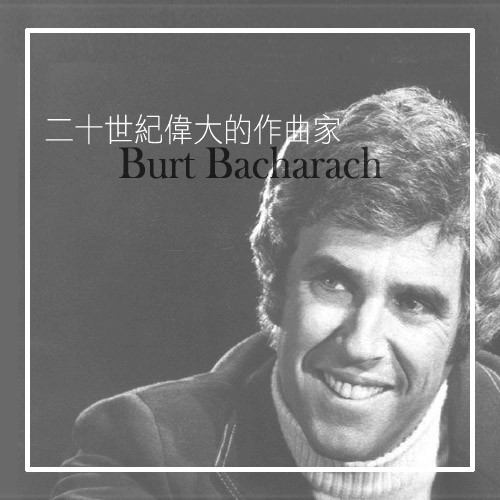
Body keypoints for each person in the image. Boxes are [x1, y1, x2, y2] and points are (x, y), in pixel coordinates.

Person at [52, 87, 500, 500]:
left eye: (413, 304)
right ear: (277, 286)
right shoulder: (143, 454)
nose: (361, 345)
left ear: (465, 331)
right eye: (334, 283)